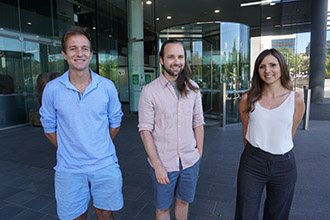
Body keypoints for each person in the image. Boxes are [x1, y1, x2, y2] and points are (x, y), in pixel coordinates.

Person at [39, 26, 123, 220]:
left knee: (105, 213)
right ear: (64, 54)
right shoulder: (52, 89)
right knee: (76, 216)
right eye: (73, 48)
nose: (79, 53)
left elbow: (115, 122)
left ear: (91, 54)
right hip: (69, 168)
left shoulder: (106, 87)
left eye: (84, 48)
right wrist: (71, 149)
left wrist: (99, 145)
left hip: (105, 163)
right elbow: (49, 127)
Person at [235, 48, 305, 220]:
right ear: (257, 71)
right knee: (246, 214)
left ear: (281, 67)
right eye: (262, 66)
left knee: (278, 215)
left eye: (272, 65)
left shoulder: (296, 99)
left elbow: (290, 132)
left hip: (284, 164)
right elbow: (246, 131)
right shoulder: (248, 98)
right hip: (253, 163)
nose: (267, 70)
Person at [138, 39, 204, 220]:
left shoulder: (193, 88)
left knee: (183, 202)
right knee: (163, 208)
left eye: (180, 57)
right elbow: (145, 131)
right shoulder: (149, 92)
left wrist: (199, 153)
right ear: (161, 60)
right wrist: (157, 165)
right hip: (164, 163)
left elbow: (198, 122)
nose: (176, 61)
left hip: (190, 161)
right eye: (171, 57)